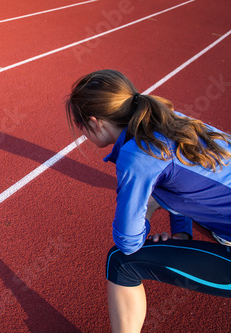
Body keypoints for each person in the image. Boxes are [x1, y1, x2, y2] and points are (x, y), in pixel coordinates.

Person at [65, 69, 231, 332]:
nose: (83, 134)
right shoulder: (169, 120)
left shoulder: (137, 155)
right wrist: (181, 234)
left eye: (81, 127)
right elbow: (184, 179)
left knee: (121, 262)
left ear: (95, 123)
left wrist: (147, 215)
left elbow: (128, 242)